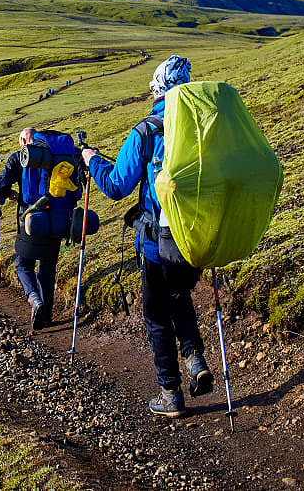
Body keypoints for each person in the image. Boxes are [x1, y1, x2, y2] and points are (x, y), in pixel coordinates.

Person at [81, 55, 213, 418]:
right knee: (179, 294)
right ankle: (196, 359)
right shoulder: (204, 126)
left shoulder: (146, 130)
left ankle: (170, 394)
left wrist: (93, 159)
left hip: (156, 242)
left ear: (157, 91)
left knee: (156, 313)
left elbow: (115, 185)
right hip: (196, 236)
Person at [0, 127, 83, 331]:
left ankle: (35, 300)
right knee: (47, 269)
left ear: (23, 140)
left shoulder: (19, 157)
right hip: (59, 220)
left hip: (31, 220)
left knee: (22, 265)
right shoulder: (63, 155)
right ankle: (48, 316)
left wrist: (10, 193)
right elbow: (77, 191)